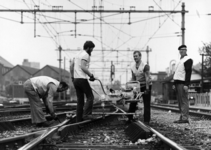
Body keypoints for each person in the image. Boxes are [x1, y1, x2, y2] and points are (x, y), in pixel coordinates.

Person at [70, 41, 96, 122]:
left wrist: (72, 77)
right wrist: (91, 75)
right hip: (82, 79)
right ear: (88, 48)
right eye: (91, 49)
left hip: (76, 80)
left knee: (80, 100)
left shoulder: (77, 54)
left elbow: (71, 66)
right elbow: (83, 67)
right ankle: (87, 115)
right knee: (90, 97)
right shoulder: (86, 55)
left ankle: (79, 119)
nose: (92, 51)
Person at [128, 51, 152, 125]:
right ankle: (130, 118)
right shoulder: (133, 67)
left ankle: (146, 121)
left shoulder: (145, 66)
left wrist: (147, 89)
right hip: (138, 86)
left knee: (146, 103)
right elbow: (133, 78)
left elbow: (147, 78)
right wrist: (132, 87)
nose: (135, 57)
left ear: (140, 56)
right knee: (133, 101)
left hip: (146, 85)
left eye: (136, 56)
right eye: (134, 56)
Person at [173, 45, 193, 124]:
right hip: (177, 82)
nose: (181, 51)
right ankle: (182, 116)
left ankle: (185, 118)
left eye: (183, 50)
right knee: (180, 101)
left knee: (184, 100)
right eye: (180, 50)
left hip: (182, 83)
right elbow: (176, 73)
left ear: (186, 50)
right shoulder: (180, 61)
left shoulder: (188, 60)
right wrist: (174, 83)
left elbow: (188, 73)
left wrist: (186, 84)